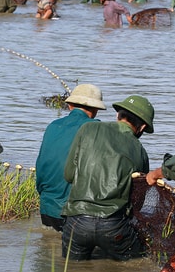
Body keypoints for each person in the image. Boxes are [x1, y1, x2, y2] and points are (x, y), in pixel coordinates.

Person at [62, 95, 154, 261]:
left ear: (118, 115)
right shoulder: (140, 151)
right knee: (136, 266)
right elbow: (137, 201)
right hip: (114, 226)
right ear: (142, 127)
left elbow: (69, 175)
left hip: (76, 222)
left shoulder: (87, 129)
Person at [35, 84, 106, 232]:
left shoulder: (53, 126)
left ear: (69, 106)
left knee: (49, 248)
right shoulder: (96, 128)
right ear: (95, 110)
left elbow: (41, 169)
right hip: (74, 212)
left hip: (47, 206)